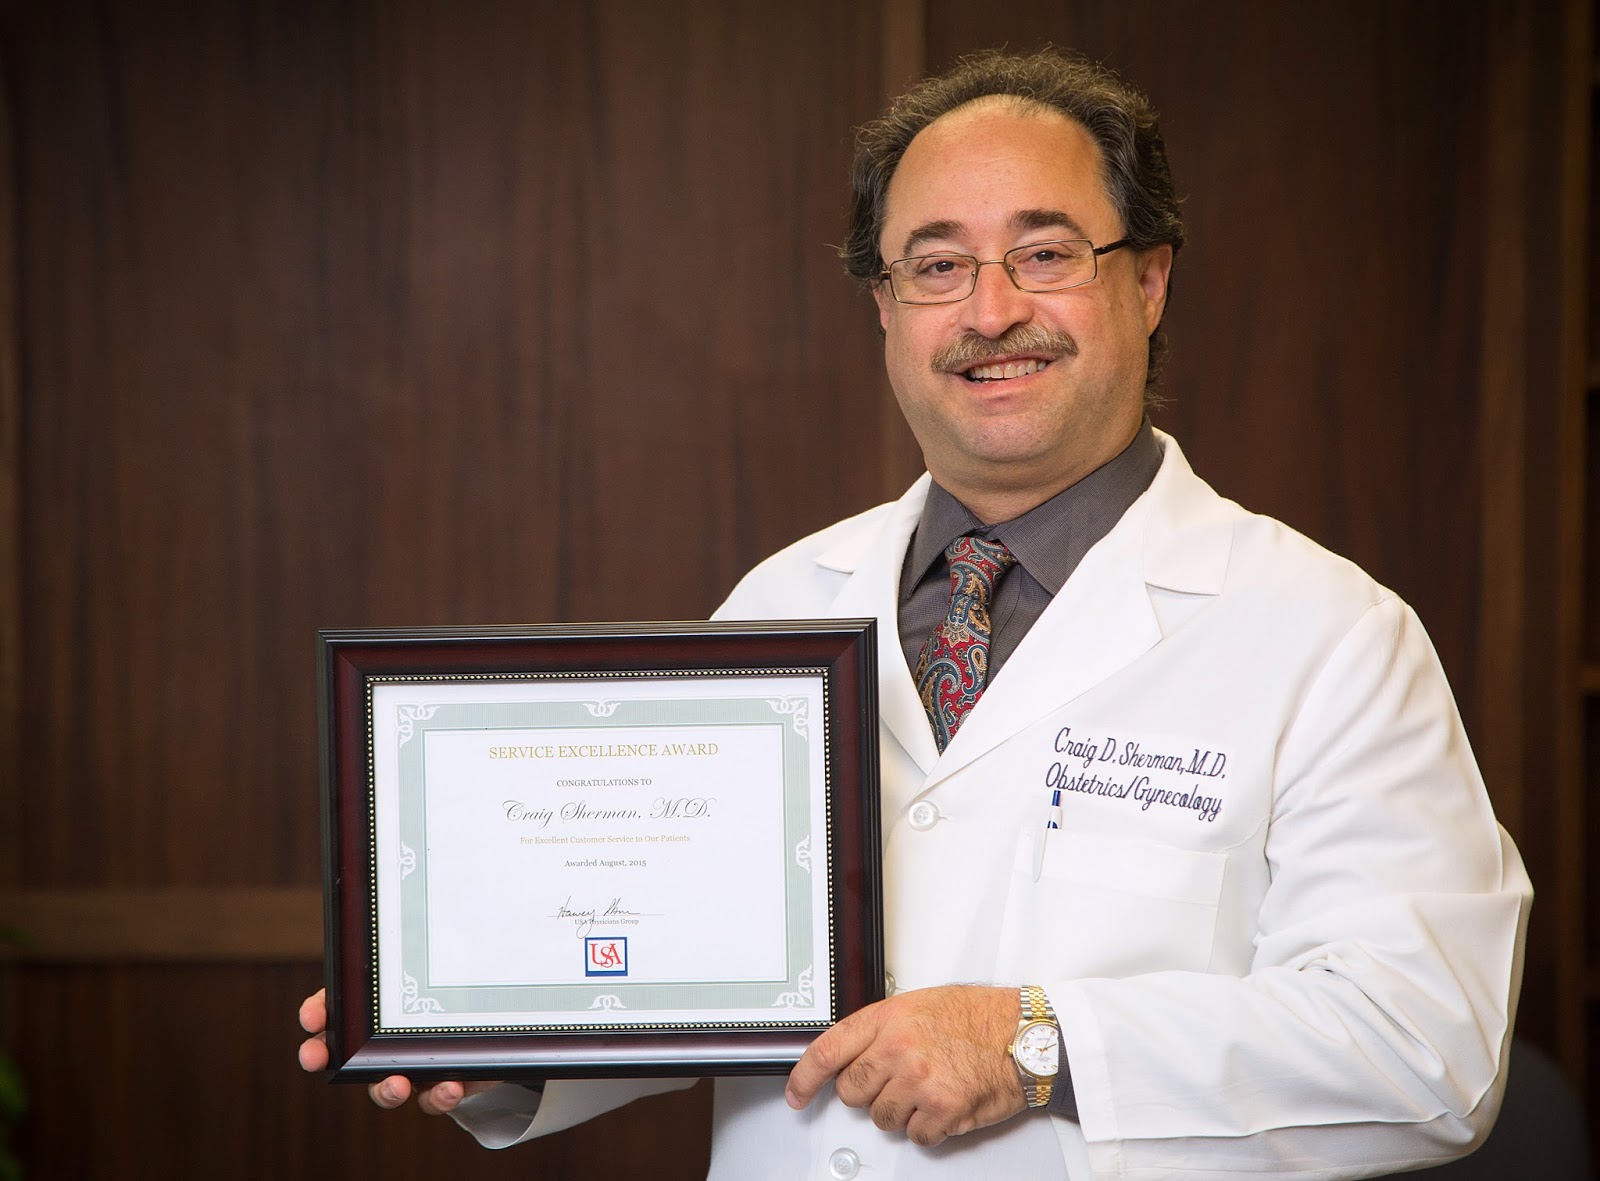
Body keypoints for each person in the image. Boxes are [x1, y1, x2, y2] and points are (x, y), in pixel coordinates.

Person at [299, 48, 1531, 1179]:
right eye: (936, 266)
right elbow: (699, 970)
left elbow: (1427, 1043)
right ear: (884, 308)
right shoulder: (781, 603)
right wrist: (493, 1037)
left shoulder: (1327, 635)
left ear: (1149, 280)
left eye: (1044, 254)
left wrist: (1036, 1041)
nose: (989, 312)